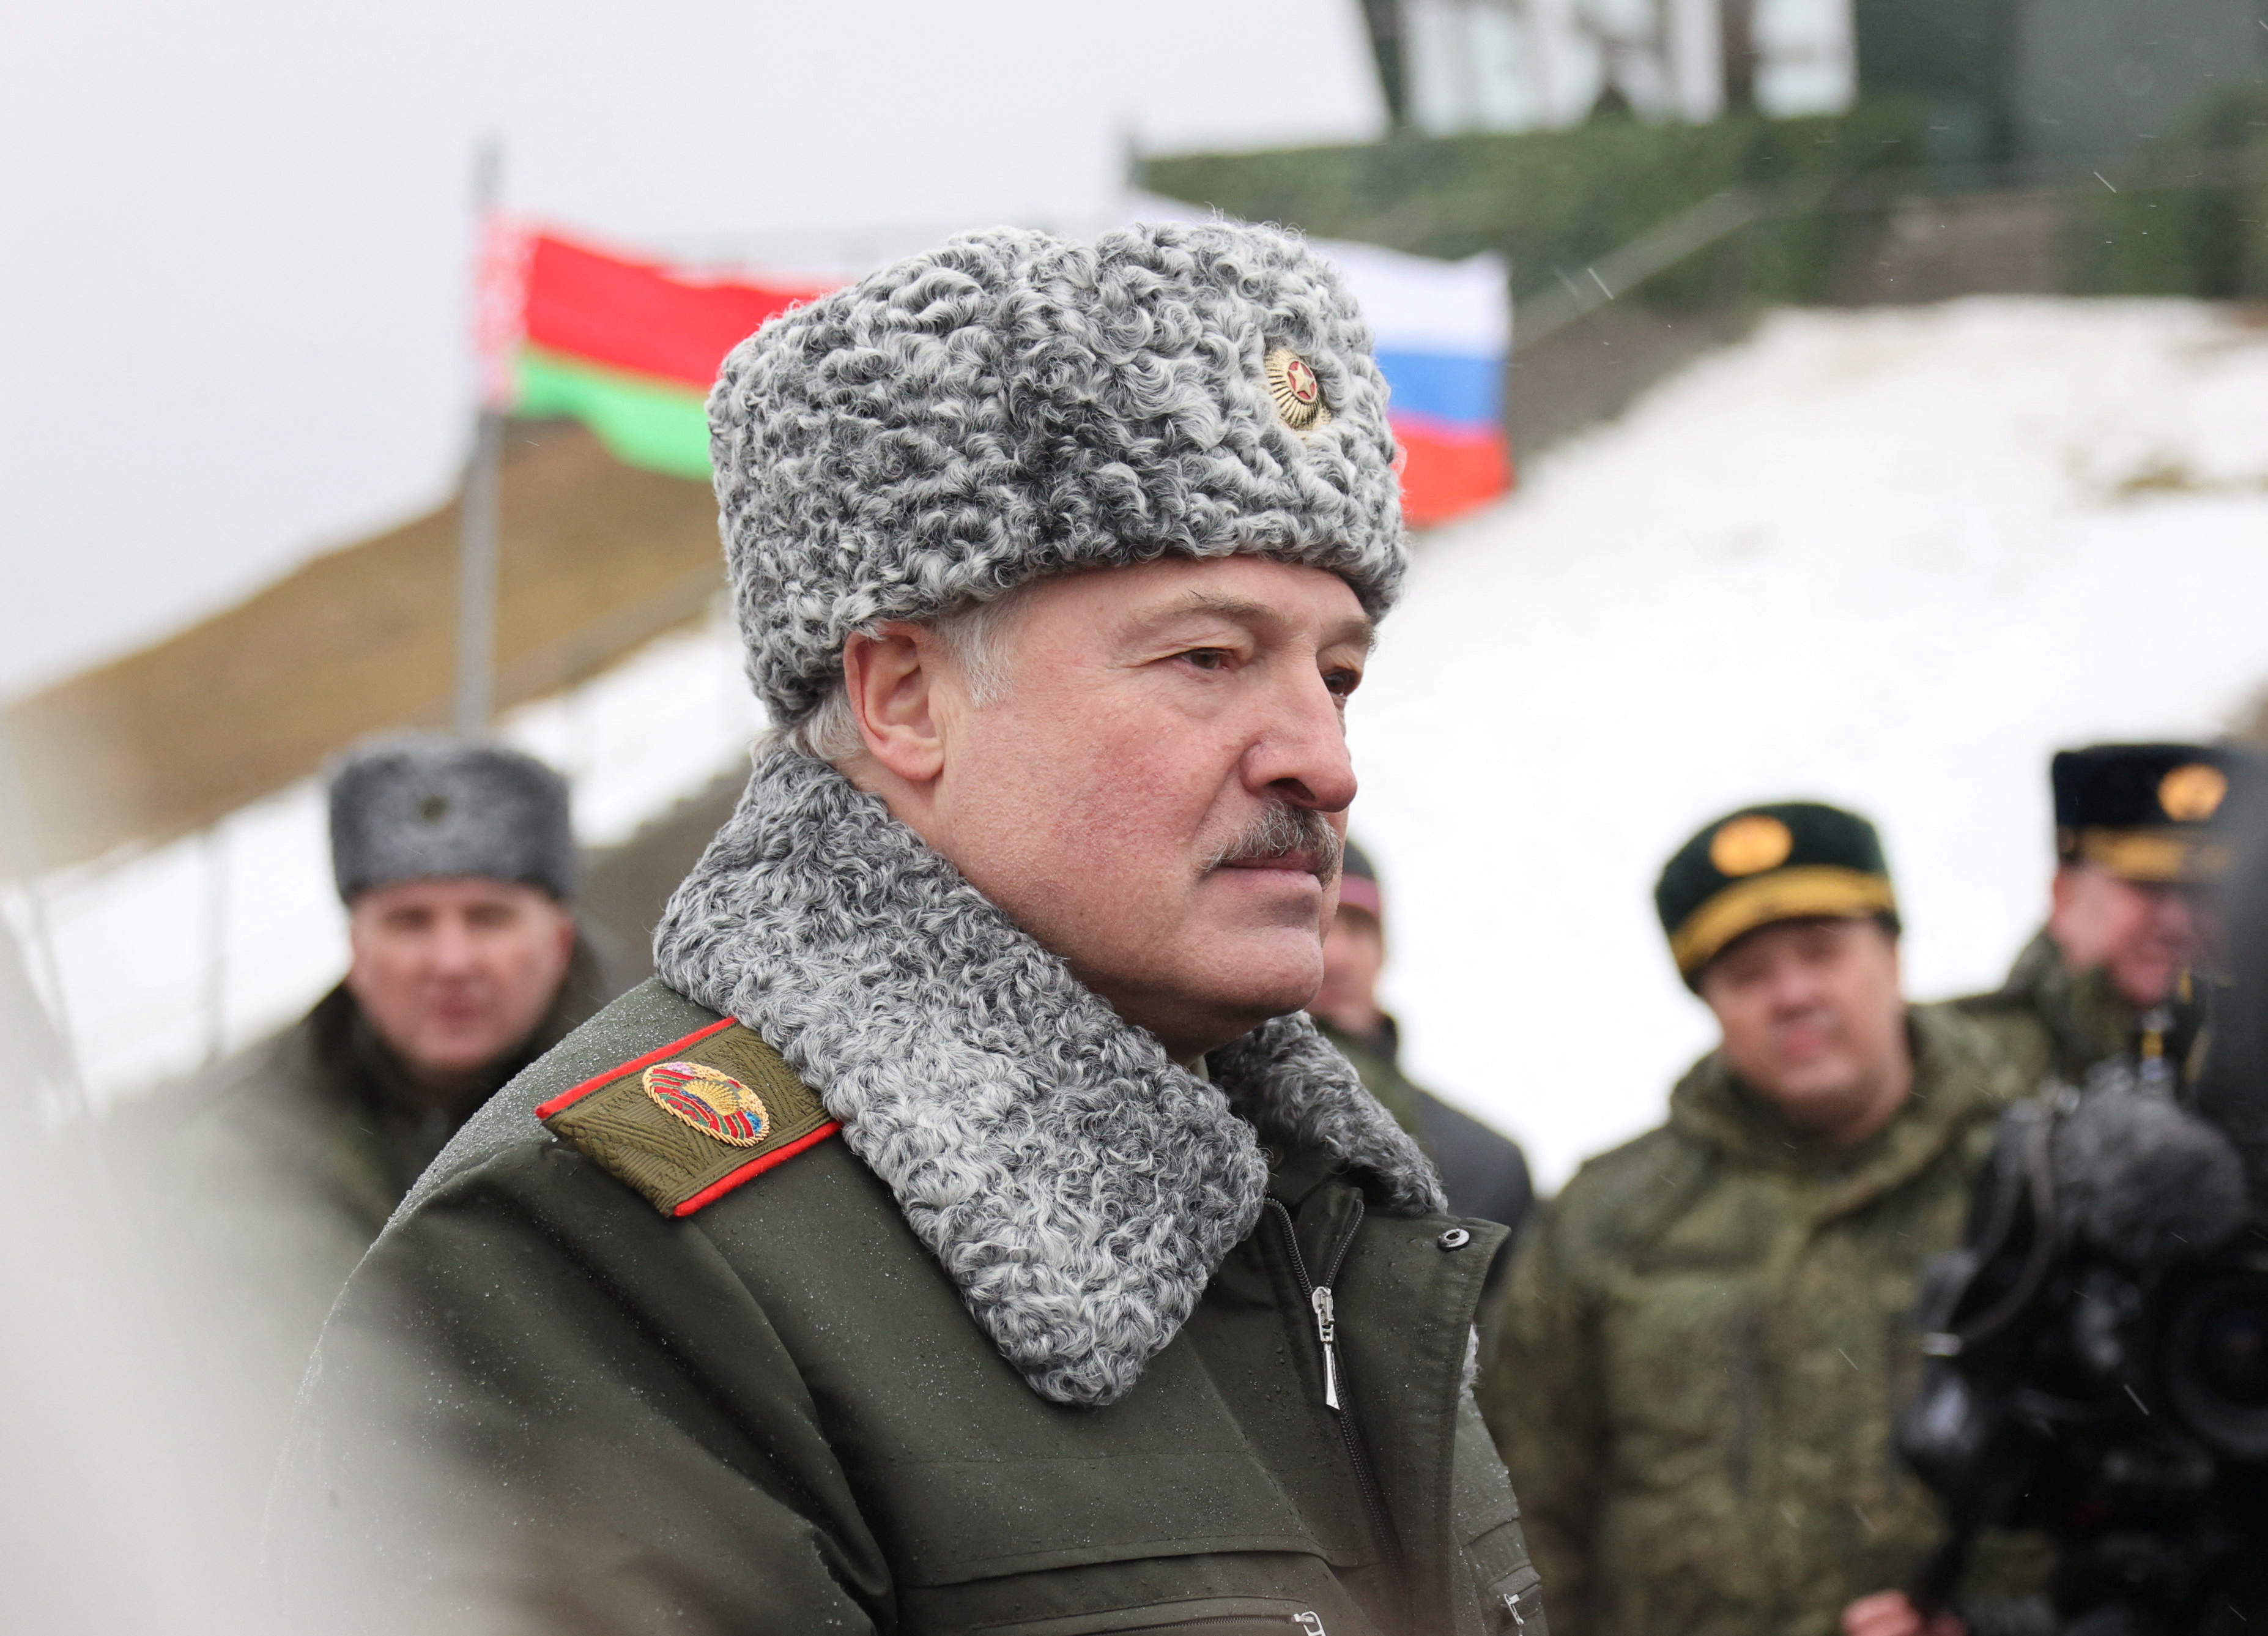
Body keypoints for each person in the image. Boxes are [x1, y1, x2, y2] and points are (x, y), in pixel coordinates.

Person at [278, 223, 1545, 1635]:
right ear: (901, 698)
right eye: (1207, 658)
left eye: (1338, 674)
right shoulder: (595, 1259)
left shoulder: (1327, 1207)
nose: (1323, 759)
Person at [1479, 801, 2033, 1636]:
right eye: (1748, 974)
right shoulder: (1607, 1218)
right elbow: (1522, 1512)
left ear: (1893, 953)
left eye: (1822, 953)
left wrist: (1998, 1623)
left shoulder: (2036, 1178)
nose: (1793, 995)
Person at [126, 740, 607, 1397]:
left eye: (488, 917)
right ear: (355, 945)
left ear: (558, 937)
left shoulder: (656, 1111)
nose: (451, 960)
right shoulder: (237, 1160)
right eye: (409, 922)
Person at [1958, 742, 2245, 1088]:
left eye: (2204, 892)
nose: (2177, 922)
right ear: (2064, 895)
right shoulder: (1961, 1068)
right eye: (2146, 886)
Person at [1312, 838, 1533, 1237]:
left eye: (1359, 928)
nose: (1338, 958)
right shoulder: (1207, 1121)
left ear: (1384, 951)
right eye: (1315, 925)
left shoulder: (1487, 1164)